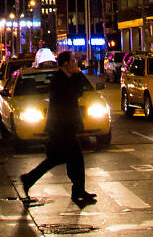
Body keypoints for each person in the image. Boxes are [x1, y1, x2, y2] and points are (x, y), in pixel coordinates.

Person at [20, 50, 97, 206]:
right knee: (74, 159)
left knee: (62, 159)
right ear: (66, 64)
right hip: (61, 128)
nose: (76, 64)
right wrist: (76, 75)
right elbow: (74, 94)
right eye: (73, 61)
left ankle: (30, 179)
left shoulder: (65, 78)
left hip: (65, 128)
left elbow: (78, 93)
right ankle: (78, 190)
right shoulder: (60, 80)